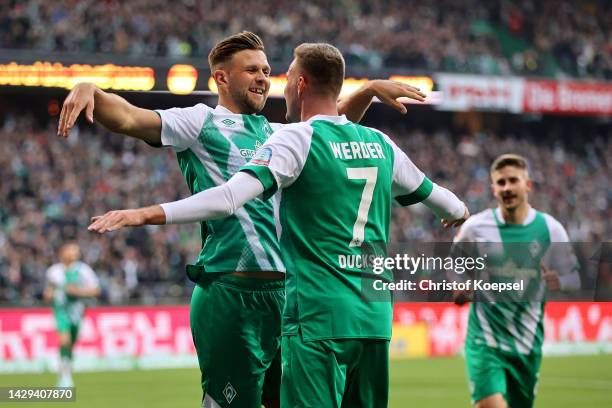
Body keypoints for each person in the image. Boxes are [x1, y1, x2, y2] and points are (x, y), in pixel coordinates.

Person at [87, 42, 469, 407]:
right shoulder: (200, 121)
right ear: (221, 78)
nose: (264, 78)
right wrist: (92, 90)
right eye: (252, 69)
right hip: (234, 289)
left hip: (288, 297)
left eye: (268, 71)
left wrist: (366, 90)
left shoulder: (280, 135)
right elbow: (128, 117)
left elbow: (330, 130)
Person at [453, 154, 581, 408]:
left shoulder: (550, 229)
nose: (507, 187)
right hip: (485, 341)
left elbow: (574, 277)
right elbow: (455, 266)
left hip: (527, 344)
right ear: (493, 189)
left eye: (513, 180)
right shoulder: (475, 227)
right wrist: (459, 286)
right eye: (501, 183)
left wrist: (561, 281)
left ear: (528, 184)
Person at [43, 242, 100, 387]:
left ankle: (64, 371)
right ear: (63, 252)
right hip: (60, 309)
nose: (75, 253)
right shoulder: (53, 271)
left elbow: (96, 290)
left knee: (70, 344)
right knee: (64, 340)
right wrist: (49, 295)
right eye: (72, 250)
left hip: (77, 310)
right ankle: (65, 379)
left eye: (77, 251)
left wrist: (78, 292)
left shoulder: (84, 270)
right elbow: (48, 292)